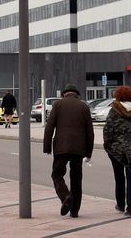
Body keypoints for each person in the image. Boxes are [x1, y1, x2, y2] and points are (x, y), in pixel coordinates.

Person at [42, 84, 93, 218]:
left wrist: (46, 146)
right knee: (76, 179)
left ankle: (66, 196)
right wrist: (89, 153)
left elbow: (49, 126)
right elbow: (90, 132)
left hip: (61, 147)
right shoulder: (84, 107)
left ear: (64, 94)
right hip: (78, 148)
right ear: (76, 95)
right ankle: (74, 211)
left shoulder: (58, 105)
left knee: (57, 175)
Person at [102, 85, 131, 217]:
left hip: (117, 151)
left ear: (118, 96)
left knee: (119, 178)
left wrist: (108, 147)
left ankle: (120, 204)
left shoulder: (114, 111)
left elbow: (108, 131)